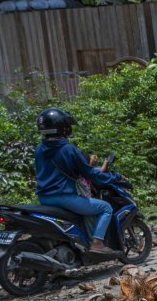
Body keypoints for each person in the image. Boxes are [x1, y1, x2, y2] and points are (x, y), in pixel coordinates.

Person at [34, 107, 121, 260]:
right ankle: (97, 244)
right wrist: (115, 177)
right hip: (64, 197)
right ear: (62, 127)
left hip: (44, 198)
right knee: (105, 208)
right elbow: (90, 173)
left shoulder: (40, 149)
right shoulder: (68, 149)